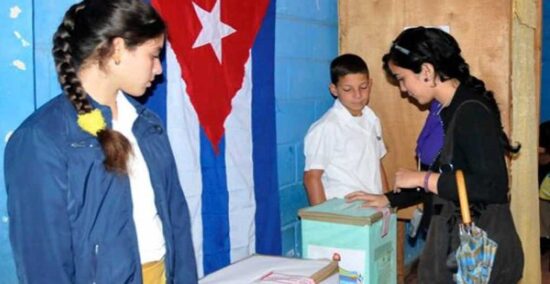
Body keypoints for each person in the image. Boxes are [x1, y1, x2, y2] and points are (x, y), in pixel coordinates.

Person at [3, 0, 197, 283]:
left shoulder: (147, 125)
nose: (158, 70)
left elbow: (177, 223)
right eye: (153, 55)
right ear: (118, 49)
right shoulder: (41, 139)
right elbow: (44, 262)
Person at [345, 27, 524, 283]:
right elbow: (450, 176)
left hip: (479, 252)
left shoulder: (470, 112)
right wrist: (389, 199)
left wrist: (421, 178)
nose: (403, 89)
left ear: (427, 71)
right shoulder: (448, 110)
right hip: (456, 244)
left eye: (402, 78)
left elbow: (492, 186)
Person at [303, 53, 388, 206]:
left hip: (374, 208)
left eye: (363, 87)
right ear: (334, 90)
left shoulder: (371, 118)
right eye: (348, 89)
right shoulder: (327, 127)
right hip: (344, 212)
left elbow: (377, 164)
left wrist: (389, 204)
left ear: (370, 84)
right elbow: (312, 177)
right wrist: (324, 220)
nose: (358, 95)